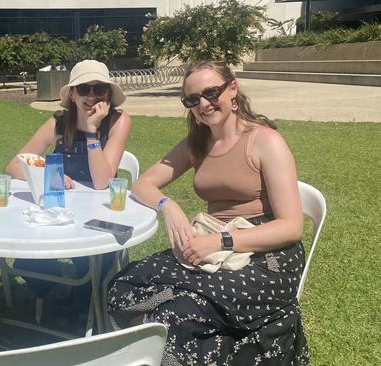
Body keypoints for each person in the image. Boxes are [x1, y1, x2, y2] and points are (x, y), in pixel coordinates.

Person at [107, 60, 310, 365]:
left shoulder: (265, 141)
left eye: (211, 92)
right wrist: (169, 206)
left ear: (232, 90)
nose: (203, 103)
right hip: (213, 243)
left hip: (266, 255)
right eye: (192, 99)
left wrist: (222, 241)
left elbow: (291, 226)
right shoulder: (198, 143)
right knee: (123, 283)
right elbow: (142, 185)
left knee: (175, 314)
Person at [5, 59, 131, 320]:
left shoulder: (118, 121)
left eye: (100, 89)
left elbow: (101, 182)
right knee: (29, 257)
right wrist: (50, 174)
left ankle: (82, 304)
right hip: (61, 214)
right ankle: (63, 288)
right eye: (85, 89)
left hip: (101, 214)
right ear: (72, 94)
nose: (92, 96)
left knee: (95, 263)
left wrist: (92, 132)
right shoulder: (58, 124)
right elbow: (14, 167)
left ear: (108, 95)